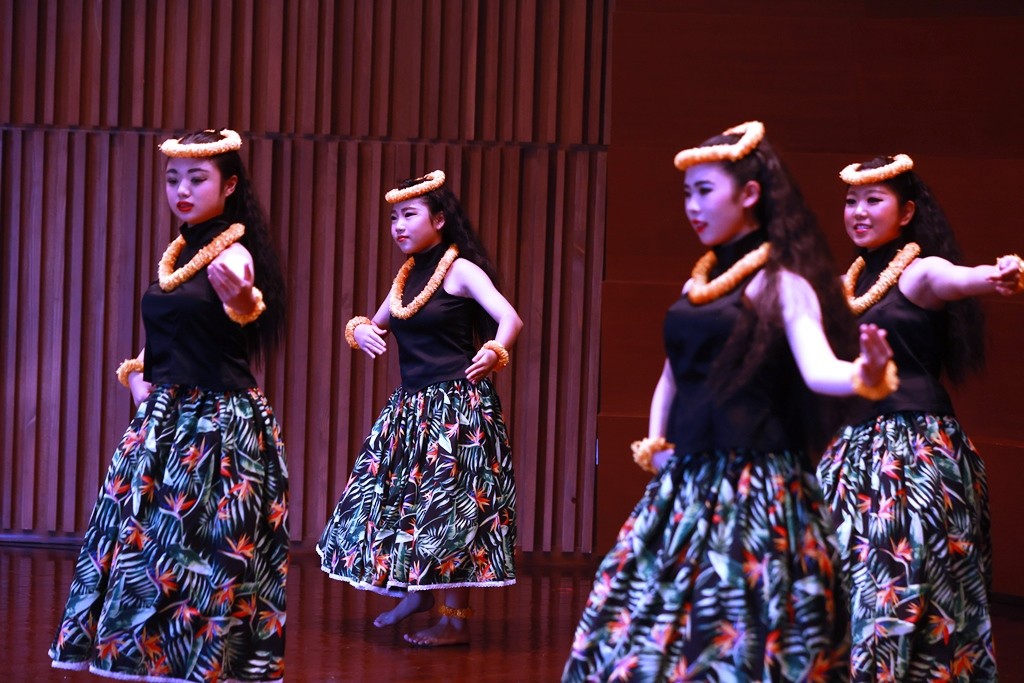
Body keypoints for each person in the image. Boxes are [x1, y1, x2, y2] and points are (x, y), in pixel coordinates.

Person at [563, 121, 896, 682]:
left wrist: (866, 373)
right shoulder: (697, 286)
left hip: (756, 487)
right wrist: (656, 442)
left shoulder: (781, 283)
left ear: (749, 194)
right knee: (634, 630)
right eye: (686, 194)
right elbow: (671, 378)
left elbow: (819, 369)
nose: (692, 207)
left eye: (705, 191)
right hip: (685, 482)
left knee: (742, 632)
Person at [48, 129, 289, 682]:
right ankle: (156, 664)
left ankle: (201, 668)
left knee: (201, 558)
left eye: (196, 179)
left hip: (217, 428)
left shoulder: (233, 250)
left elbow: (245, 298)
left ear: (228, 186)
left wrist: (242, 297)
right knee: (147, 552)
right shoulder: (180, 251)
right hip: (165, 422)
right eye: (173, 178)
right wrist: (139, 375)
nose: (181, 189)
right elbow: (173, 329)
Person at [816, 154, 1022, 682]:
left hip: (916, 459)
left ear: (906, 212)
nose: (859, 211)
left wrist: (998, 276)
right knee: (837, 587)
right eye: (851, 201)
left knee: (907, 588)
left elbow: (963, 279)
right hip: (850, 458)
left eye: (874, 200)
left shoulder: (920, 272)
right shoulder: (843, 286)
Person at [317, 170, 522, 647]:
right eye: (393, 218)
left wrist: (495, 350)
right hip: (412, 410)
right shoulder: (407, 278)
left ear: (440, 220)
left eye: (409, 215)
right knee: (404, 505)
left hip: (457, 412)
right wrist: (358, 329)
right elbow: (375, 324)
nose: (398, 226)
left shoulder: (460, 270)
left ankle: (455, 620)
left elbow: (509, 317)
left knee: (448, 512)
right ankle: (416, 594)